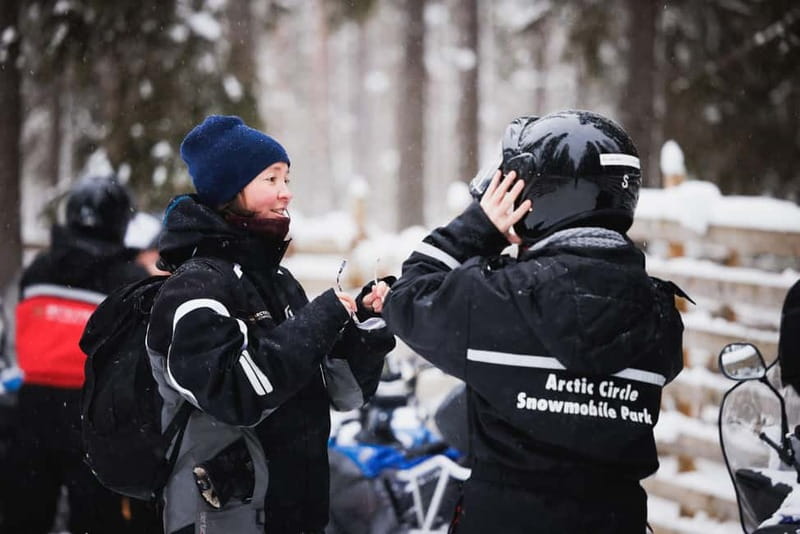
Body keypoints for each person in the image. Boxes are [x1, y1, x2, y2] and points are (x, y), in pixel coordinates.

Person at [382, 110, 687, 533]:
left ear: (539, 196)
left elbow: (408, 296)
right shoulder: (660, 317)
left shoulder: (503, 299)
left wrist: (479, 227)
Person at [146, 115, 395, 534]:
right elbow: (234, 394)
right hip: (225, 520)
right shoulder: (194, 287)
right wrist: (320, 318)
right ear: (230, 190)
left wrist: (363, 325)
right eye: (271, 179)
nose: (286, 192)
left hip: (296, 514)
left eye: (286, 178)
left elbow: (344, 392)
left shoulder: (277, 282)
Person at [3, 175, 151, 533]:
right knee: (97, 519)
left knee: (24, 515)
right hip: (94, 414)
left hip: (31, 408)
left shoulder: (38, 268)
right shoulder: (129, 278)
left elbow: (15, 330)